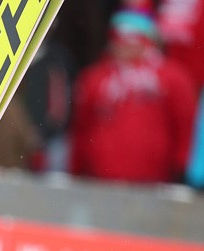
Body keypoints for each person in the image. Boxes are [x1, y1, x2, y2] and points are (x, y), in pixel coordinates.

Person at [68, 6, 198, 184]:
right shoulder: (95, 78)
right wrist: (75, 170)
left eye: (131, 39)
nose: (122, 45)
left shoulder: (172, 78)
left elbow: (184, 125)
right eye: (117, 38)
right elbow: (81, 129)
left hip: (154, 180)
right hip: (100, 179)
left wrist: (181, 168)